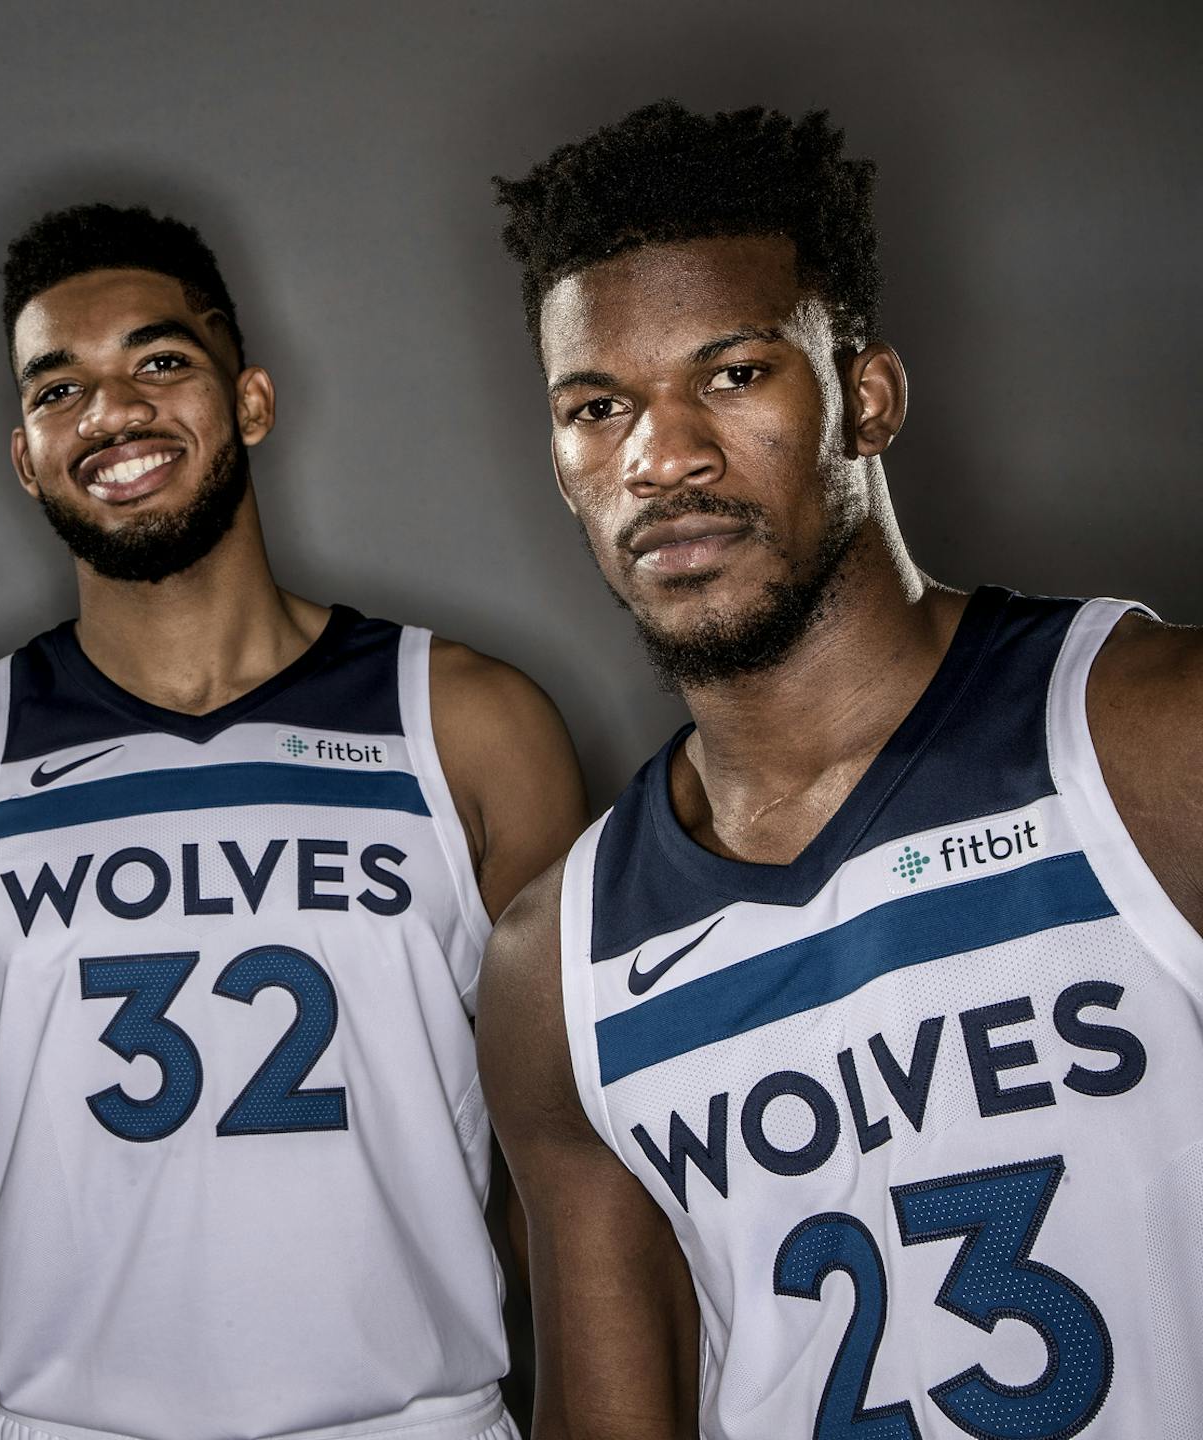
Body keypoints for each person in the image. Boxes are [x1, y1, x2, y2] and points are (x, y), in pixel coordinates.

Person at [478, 99, 1203, 1439]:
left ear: (865, 397)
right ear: (565, 470)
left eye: (734, 375)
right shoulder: (556, 968)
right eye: (598, 406)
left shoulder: (1151, 745)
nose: (664, 456)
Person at [0, 202, 584, 1440]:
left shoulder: (471, 726)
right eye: (58, 389)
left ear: (253, 403)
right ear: (22, 453)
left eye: (160, 362)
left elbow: (572, 1187)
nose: (112, 413)